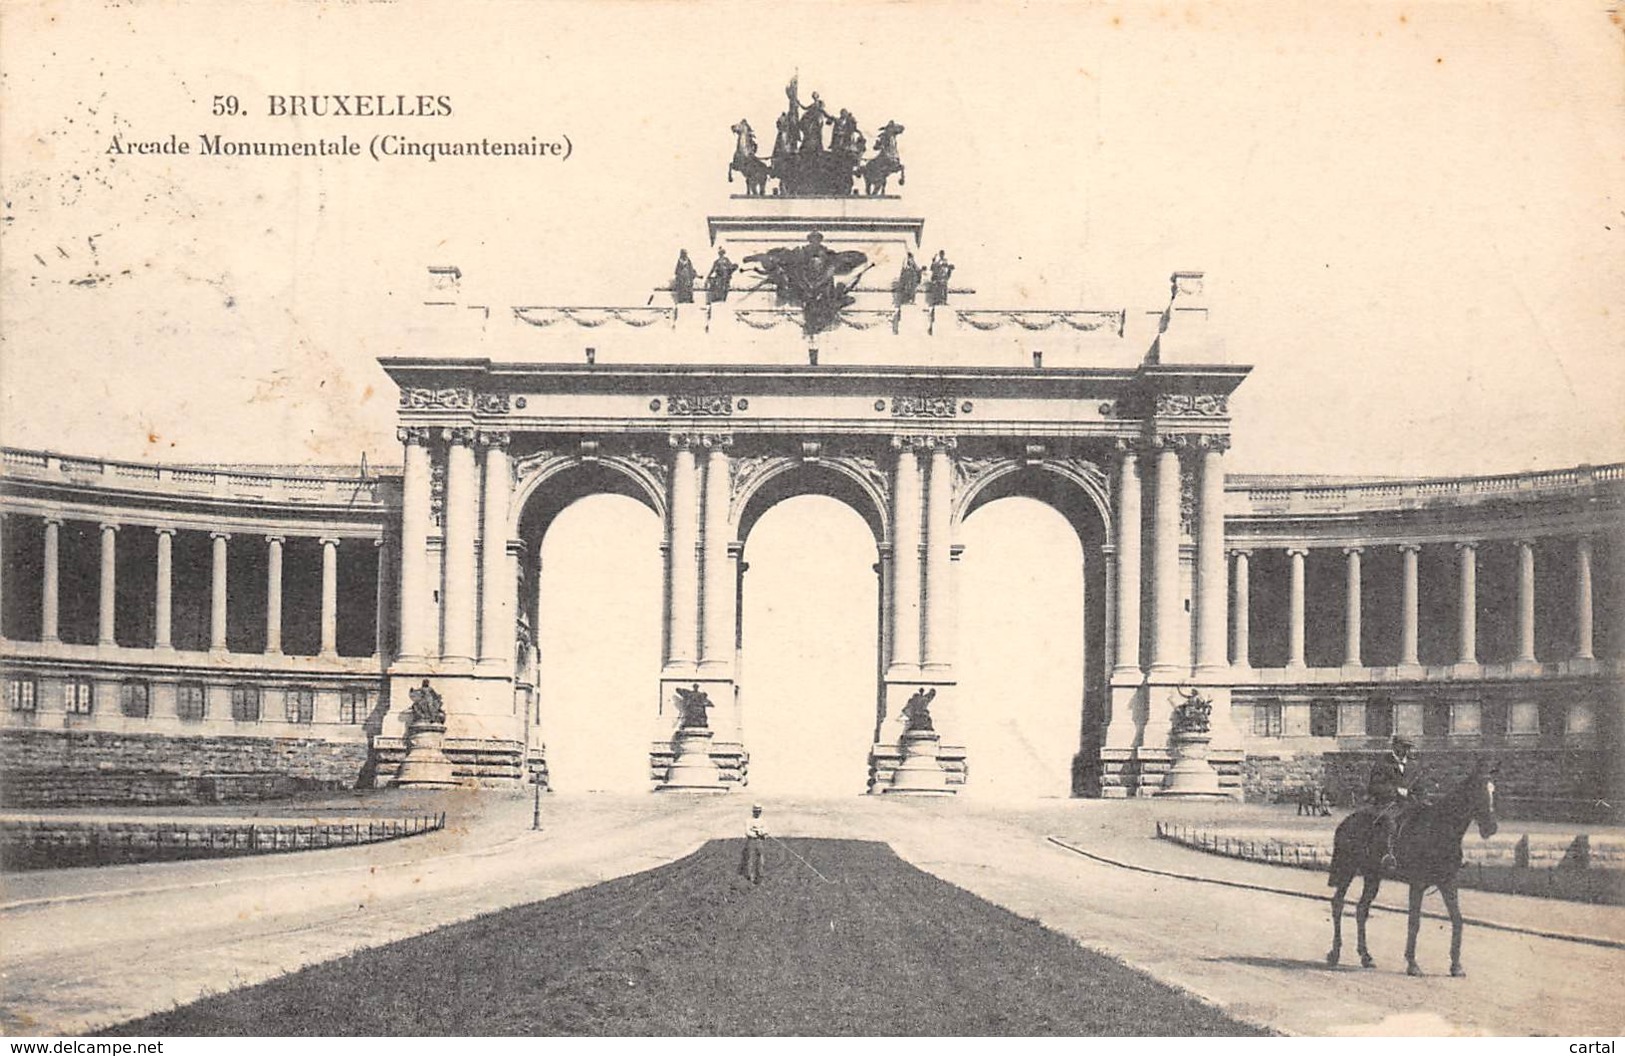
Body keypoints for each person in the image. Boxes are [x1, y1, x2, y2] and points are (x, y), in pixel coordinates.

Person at [1370, 735, 1416, 869]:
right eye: (1404, 747)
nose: (1407, 751)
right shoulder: (1382, 763)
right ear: (1395, 746)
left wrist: (1420, 797)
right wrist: (1396, 791)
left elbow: (1421, 786)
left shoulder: (1414, 765)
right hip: (1388, 803)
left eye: (1409, 747)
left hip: (1411, 803)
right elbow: (1374, 786)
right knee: (1390, 823)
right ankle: (1389, 855)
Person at [740, 803, 768, 885]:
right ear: (753, 811)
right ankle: (751, 878)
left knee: (761, 860)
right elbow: (748, 832)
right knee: (751, 859)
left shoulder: (763, 821)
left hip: (760, 841)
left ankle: (760, 877)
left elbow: (766, 830)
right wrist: (756, 833)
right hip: (751, 841)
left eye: (759, 811)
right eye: (756, 811)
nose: (757, 813)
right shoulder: (748, 820)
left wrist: (760, 832)